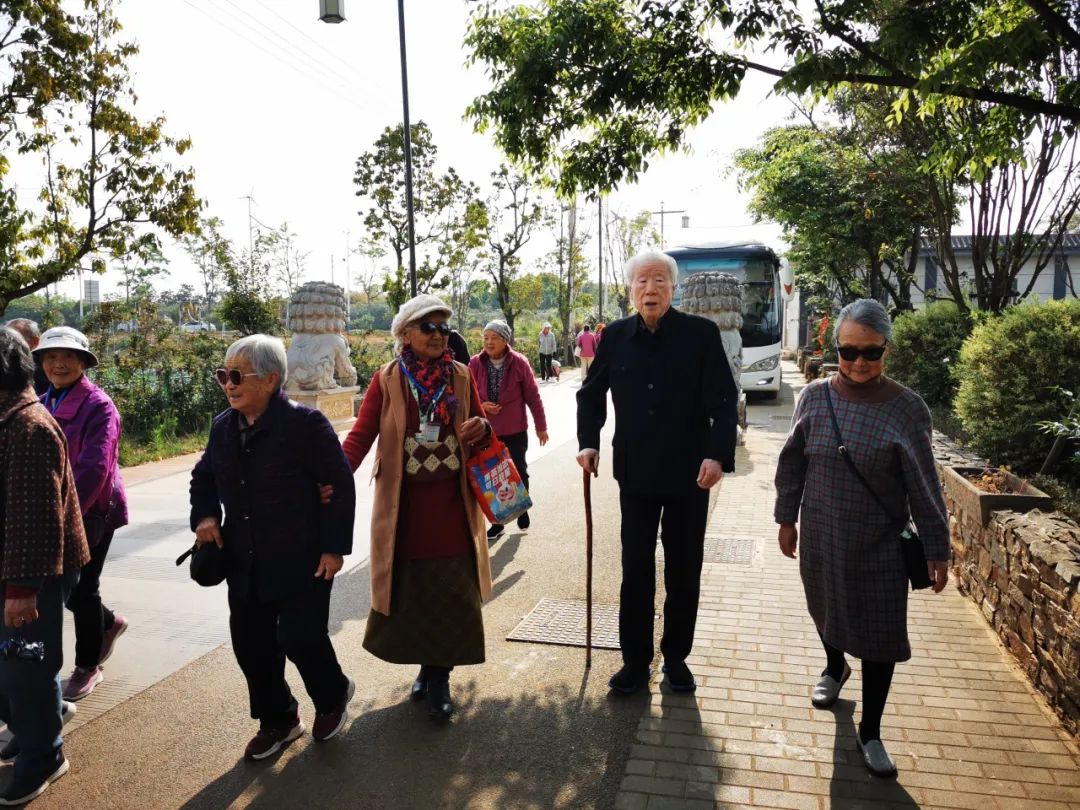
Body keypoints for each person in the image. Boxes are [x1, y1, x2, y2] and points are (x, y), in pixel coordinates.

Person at [774, 299, 950, 778]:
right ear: (837, 348)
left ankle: (870, 731)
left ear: (885, 351)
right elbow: (792, 462)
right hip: (823, 535)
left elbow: (925, 485)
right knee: (825, 608)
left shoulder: (907, 408)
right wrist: (786, 518)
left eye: (869, 353)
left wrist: (938, 548)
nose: (857, 363)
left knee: (880, 637)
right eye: (848, 351)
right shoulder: (813, 397)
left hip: (880, 545)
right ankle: (834, 668)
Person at [577, 250, 739, 695]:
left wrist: (716, 455)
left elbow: (724, 403)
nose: (650, 290)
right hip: (636, 474)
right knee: (636, 570)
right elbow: (590, 396)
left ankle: (676, 659)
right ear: (631, 291)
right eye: (641, 282)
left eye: (659, 282)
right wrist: (588, 442)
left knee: (684, 571)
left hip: (691, 475)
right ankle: (634, 662)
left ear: (673, 288)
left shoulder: (701, 335)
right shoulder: (614, 337)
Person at [189, 335, 357, 760]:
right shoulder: (223, 426)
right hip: (245, 559)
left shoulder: (306, 426)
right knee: (252, 646)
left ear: (270, 379)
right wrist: (205, 516)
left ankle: (333, 694)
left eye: (236, 376)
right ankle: (279, 719)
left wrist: (334, 548)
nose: (227, 384)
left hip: (303, 558)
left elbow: (338, 486)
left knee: (300, 637)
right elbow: (203, 476)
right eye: (222, 376)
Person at [342, 294, 493, 721]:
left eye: (443, 328)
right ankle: (425, 670)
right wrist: (332, 479)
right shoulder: (387, 379)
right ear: (405, 333)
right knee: (412, 592)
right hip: (404, 508)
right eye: (428, 327)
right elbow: (362, 433)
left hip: (451, 506)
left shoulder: (461, 376)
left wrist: (481, 426)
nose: (438, 335)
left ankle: (439, 676)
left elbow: (483, 428)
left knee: (450, 589)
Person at [0, 327, 89, 805]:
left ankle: (44, 754)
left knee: (24, 668)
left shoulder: (29, 427)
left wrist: (21, 592)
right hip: (15, 569)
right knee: (14, 669)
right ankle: (35, 723)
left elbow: (36, 523)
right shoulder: (7, 417)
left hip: (33, 574)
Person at [32, 327, 129, 703]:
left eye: (69, 357)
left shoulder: (99, 406)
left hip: (92, 510)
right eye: (51, 356)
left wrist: (64, 515)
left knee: (81, 587)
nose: (59, 363)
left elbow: (95, 470)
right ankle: (108, 622)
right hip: (54, 511)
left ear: (84, 363)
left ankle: (89, 666)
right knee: (70, 589)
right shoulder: (42, 402)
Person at [468, 319, 549, 540]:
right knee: (490, 478)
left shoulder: (519, 363)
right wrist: (482, 405)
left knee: (518, 472)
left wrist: (541, 427)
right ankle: (498, 522)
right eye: (486, 338)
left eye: (494, 338)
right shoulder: (474, 364)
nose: (489, 342)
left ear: (505, 340)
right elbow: (467, 394)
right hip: (486, 431)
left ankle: (521, 509)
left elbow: (533, 397)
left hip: (515, 429)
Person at [3, 320, 48, 396]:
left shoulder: (46, 366)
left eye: (14, 340)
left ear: (35, 342)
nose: (8, 344)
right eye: (5, 339)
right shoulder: (5, 362)